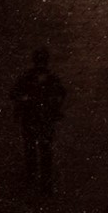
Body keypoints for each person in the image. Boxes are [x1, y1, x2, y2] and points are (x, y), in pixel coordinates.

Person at [10, 48, 66, 193]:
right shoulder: (51, 78)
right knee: (43, 149)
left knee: (32, 148)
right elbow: (61, 94)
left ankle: (34, 177)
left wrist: (25, 100)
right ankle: (43, 181)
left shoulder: (27, 77)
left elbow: (14, 93)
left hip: (32, 118)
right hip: (43, 119)